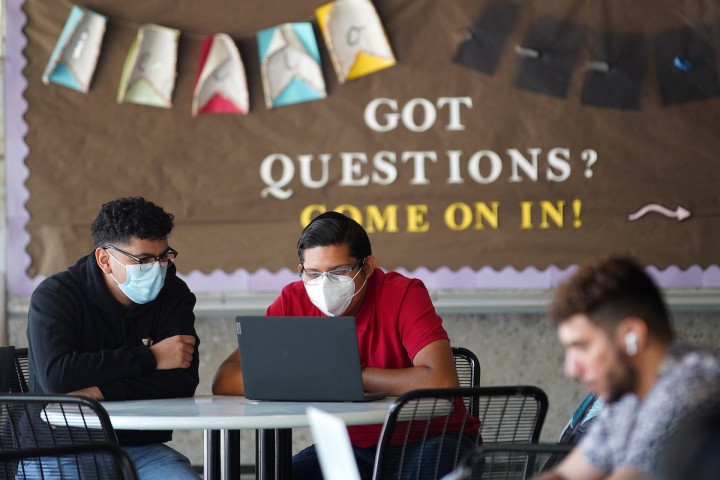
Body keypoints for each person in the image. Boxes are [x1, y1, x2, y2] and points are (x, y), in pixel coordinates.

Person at [213, 211, 478, 480]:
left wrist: (348, 375)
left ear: (369, 266)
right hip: (347, 447)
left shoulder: (403, 294)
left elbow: (442, 381)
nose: (324, 284)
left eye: (339, 271)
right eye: (313, 273)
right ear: (300, 271)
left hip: (431, 438)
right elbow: (226, 378)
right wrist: (315, 377)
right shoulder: (293, 300)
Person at [25, 197, 200, 479]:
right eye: (143, 260)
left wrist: (97, 393)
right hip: (58, 448)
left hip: (139, 448)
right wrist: (152, 357)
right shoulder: (56, 296)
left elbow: (182, 381)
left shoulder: (174, 293)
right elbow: (57, 378)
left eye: (163, 257)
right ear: (105, 259)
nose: (157, 268)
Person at [535, 256, 720, 480]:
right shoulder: (627, 395)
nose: (571, 370)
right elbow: (566, 474)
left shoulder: (692, 386)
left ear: (632, 336)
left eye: (581, 347)